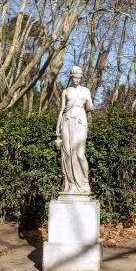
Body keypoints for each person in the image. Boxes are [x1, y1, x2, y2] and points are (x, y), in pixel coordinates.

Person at [55, 66, 94, 195]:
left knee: (79, 154)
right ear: (71, 77)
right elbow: (61, 110)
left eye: (79, 77)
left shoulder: (85, 91)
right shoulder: (66, 91)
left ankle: (84, 182)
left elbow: (90, 107)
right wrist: (57, 134)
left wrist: (89, 104)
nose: (77, 79)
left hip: (80, 121)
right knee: (67, 153)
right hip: (66, 121)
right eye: (74, 77)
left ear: (81, 77)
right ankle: (70, 184)